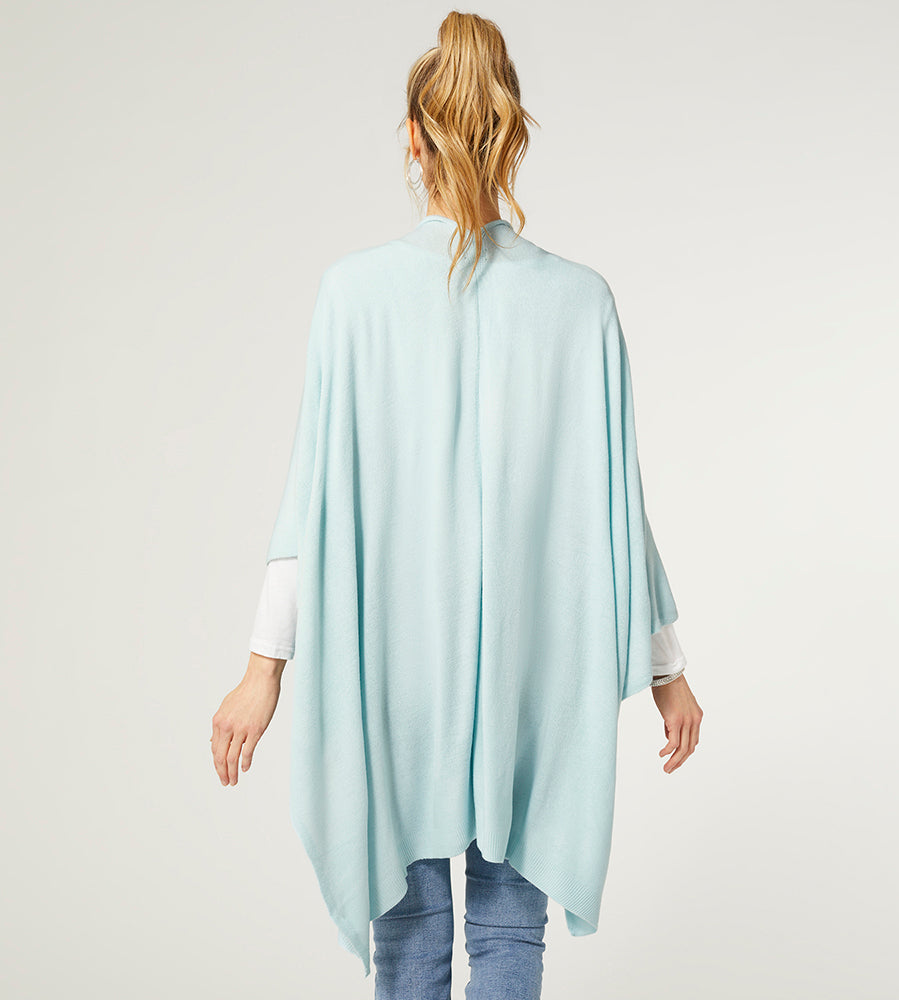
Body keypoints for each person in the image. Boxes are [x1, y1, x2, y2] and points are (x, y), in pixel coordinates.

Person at [210, 11, 703, 998]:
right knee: (512, 934)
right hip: (534, 673)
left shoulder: (352, 296)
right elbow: (615, 504)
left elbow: (313, 498)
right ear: (512, 132)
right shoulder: (580, 302)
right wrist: (668, 670)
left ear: (411, 136)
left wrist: (263, 670)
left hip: (393, 665)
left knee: (409, 937)